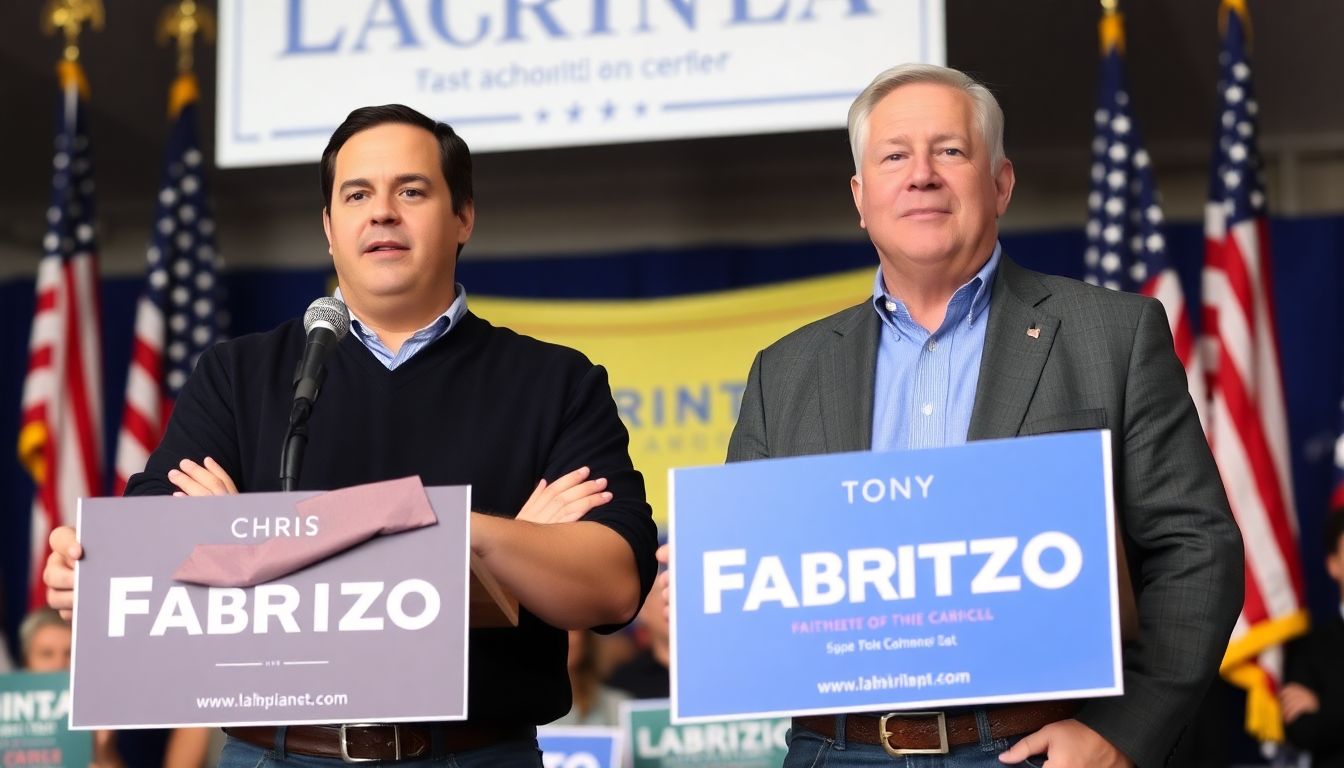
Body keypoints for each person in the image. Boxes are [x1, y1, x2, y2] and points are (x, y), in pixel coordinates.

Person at [661, 62, 1244, 768]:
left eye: (950, 151)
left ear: (999, 183)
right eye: (895, 156)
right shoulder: (784, 372)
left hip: (1032, 750)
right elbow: (749, 591)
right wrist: (701, 595)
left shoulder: (1114, 336)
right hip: (836, 753)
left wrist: (1125, 733)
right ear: (861, 195)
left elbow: (1197, 549)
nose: (922, 175)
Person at [43, 104, 659, 767]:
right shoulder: (236, 375)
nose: (383, 212)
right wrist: (86, 577)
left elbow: (614, 584)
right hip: (273, 753)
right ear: (330, 228)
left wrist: (451, 530)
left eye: (412, 191)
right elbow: (150, 563)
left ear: (464, 218)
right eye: (357, 194)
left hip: (474, 753)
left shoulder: (555, 381)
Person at [19, 607, 125, 768]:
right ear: (26, 662)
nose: (59, 665)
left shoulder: (101, 717)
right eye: (47, 654)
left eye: (69, 653)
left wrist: (105, 754)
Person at [1280, 509, 1344, 765]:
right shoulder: (1309, 647)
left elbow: (1320, 724)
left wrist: (1326, 707)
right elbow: (1301, 731)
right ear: (1333, 565)